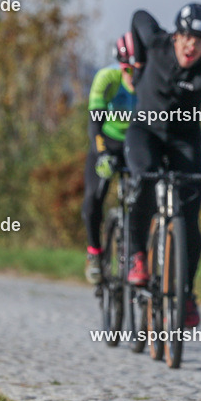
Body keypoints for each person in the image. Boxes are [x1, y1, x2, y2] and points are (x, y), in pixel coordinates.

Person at [125, 4, 201, 328]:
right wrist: (136, 63)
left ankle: (187, 294)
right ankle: (136, 254)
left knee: (191, 214)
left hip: (183, 138)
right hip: (145, 131)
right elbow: (138, 16)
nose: (192, 46)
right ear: (176, 35)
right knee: (144, 180)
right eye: (188, 37)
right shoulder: (157, 42)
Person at [83, 33, 137, 283]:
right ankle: (95, 253)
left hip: (136, 144)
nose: (133, 76)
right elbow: (94, 123)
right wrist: (102, 152)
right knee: (94, 197)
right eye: (128, 69)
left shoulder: (151, 82)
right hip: (108, 140)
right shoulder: (107, 78)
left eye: (138, 69)